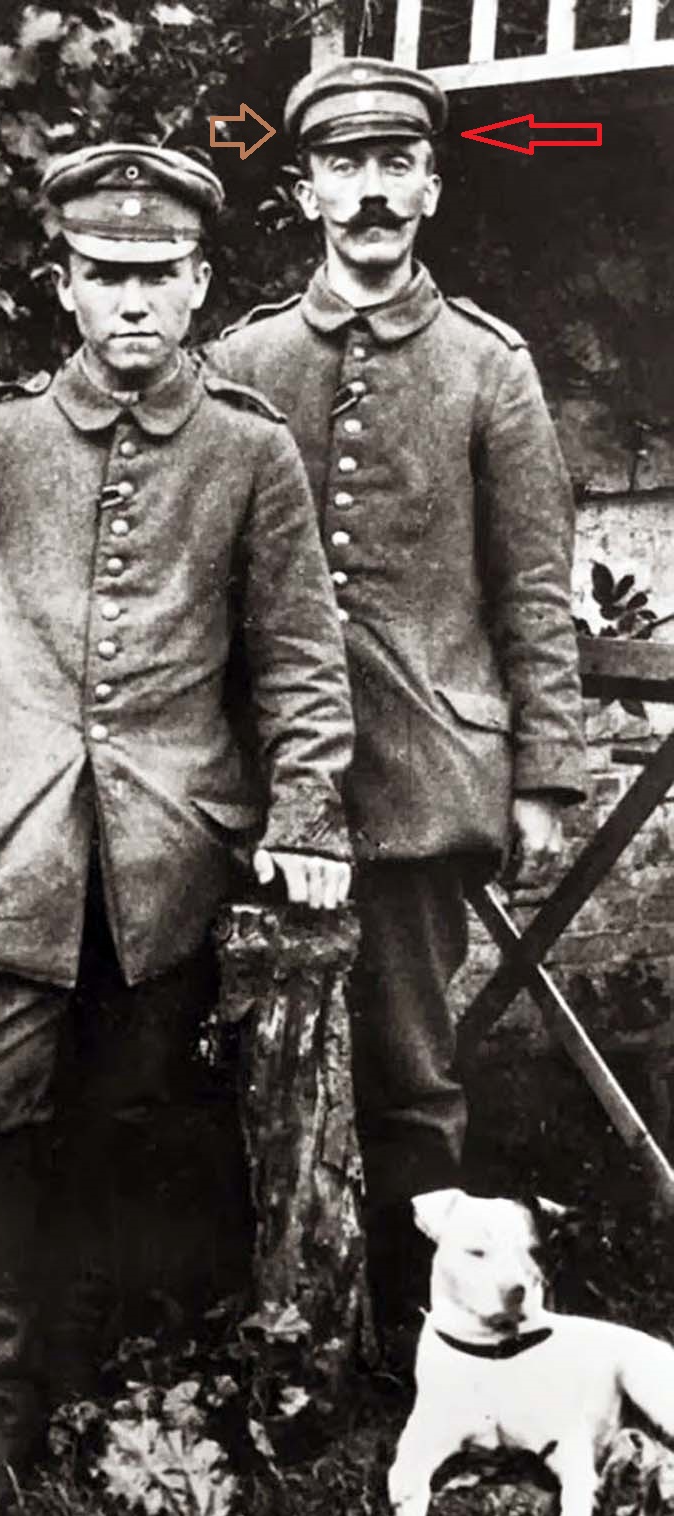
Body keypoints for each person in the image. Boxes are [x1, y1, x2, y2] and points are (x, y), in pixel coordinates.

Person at [0, 142, 355, 1516]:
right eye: (108, 276)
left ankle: (91, 1386)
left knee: (130, 1124)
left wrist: (309, 807)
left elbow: (300, 662)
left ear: (201, 284)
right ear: (64, 286)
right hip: (0, 859)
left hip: (166, 858)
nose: (134, 302)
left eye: (161, 277)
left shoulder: (250, 452)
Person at [207, 58, 587, 1348]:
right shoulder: (243, 356)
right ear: (308, 187)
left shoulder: (491, 366)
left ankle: (428, 1346)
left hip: (425, 775)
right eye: (344, 168)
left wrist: (543, 775)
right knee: (246, 1056)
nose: (370, 194)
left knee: (412, 1074)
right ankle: (273, 1322)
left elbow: (535, 586)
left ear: (430, 183)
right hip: (254, 778)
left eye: (394, 167)